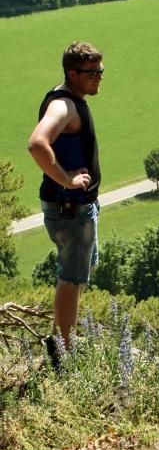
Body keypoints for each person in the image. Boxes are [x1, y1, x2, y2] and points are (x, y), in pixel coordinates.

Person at [28, 41, 104, 357]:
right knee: (71, 278)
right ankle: (63, 350)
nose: (99, 77)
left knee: (78, 274)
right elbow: (37, 144)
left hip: (75, 208)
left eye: (101, 70)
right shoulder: (64, 106)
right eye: (91, 72)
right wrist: (67, 179)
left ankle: (63, 339)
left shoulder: (70, 99)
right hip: (70, 210)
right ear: (72, 73)